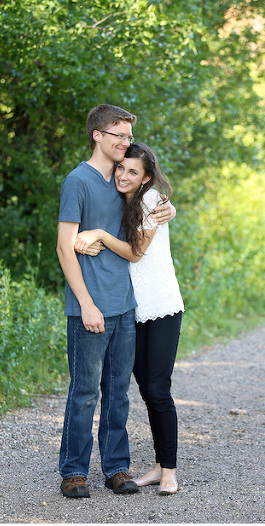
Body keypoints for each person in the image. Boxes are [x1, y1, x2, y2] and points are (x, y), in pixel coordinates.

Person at [56, 105, 175, 498]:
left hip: (125, 305)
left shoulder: (124, 182)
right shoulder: (78, 181)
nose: (125, 143)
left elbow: (151, 208)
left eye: (128, 137)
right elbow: (64, 247)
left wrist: (168, 208)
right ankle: (74, 472)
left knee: (118, 392)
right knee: (85, 392)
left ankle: (116, 468)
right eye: (119, 135)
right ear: (97, 136)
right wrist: (86, 303)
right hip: (90, 307)